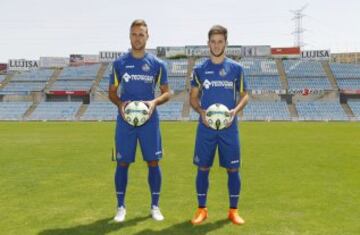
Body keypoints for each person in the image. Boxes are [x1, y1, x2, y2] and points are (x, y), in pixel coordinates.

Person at [108, 19, 170, 222]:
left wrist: (153, 102)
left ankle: (155, 206)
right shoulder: (119, 64)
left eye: (141, 34)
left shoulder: (157, 64)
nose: (137, 38)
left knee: (153, 162)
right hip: (125, 121)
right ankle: (120, 207)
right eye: (134, 34)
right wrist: (120, 105)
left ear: (147, 37)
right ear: (129, 36)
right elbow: (112, 93)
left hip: (149, 120)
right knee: (122, 162)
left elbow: (166, 93)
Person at [189, 25, 249, 225]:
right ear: (208, 44)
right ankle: (201, 209)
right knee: (202, 168)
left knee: (233, 170)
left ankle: (233, 210)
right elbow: (193, 98)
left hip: (229, 128)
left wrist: (235, 110)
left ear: (226, 43)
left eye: (220, 41)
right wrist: (201, 112)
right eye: (213, 41)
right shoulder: (199, 70)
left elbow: (245, 96)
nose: (216, 45)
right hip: (206, 127)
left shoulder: (236, 69)